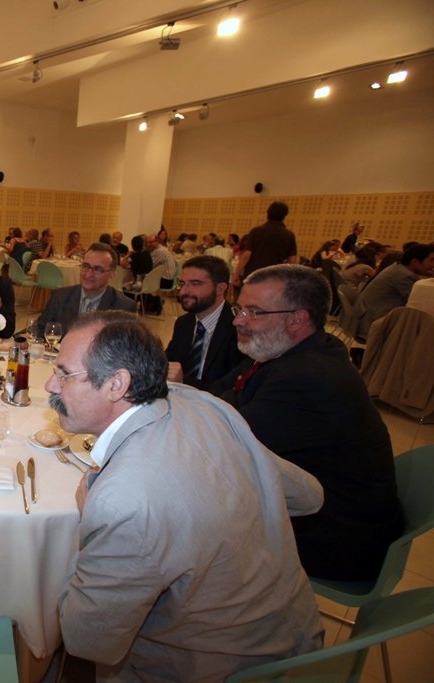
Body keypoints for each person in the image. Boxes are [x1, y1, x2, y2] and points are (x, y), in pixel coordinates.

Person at [47, 311, 324, 680]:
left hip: (214, 667)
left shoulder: (123, 499)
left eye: (64, 374)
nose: (50, 385)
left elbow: (86, 641)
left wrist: (88, 520)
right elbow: (308, 496)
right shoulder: (205, 405)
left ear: (116, 384)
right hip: (298, 637)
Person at [215, 265, 403, 580]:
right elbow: (221, 396)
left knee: (183, 524)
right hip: (332, 509)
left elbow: (225, 444)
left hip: (337, 537)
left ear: (298, 319)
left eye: (253, 312)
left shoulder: (307, 377)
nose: (238, 320)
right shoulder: (297, 350)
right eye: (240, 308)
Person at [166, 255, 244, 389]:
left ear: (220, 289)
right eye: (182, 283)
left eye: (195, 284)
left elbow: (233, 387)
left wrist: (184, 382)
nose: (184, 291)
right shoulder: (184, 323)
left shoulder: (239, 326)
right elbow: (167, 362)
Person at [36, 243, 134, 337]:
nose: (88, 274)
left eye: (97, 269)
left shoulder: (123, 306)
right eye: (86, 266)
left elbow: (126, 347)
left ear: (111, 275)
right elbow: (40, 328)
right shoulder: (61, 296)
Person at [359, 243, 434, 336]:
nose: (433, 265)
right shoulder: (404, 276)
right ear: (415, 262)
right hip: (375, 323)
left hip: (369, 317)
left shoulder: (398, 268)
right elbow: (421, 305)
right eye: (432, 260)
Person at [232, 201, 297, 287]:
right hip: (274, 278)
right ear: (284, 216)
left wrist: (236, 274)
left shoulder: (256, 231)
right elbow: (292, 261)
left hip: (253, 275)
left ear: (268, 213)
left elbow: (246, 255)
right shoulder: (289, 235)